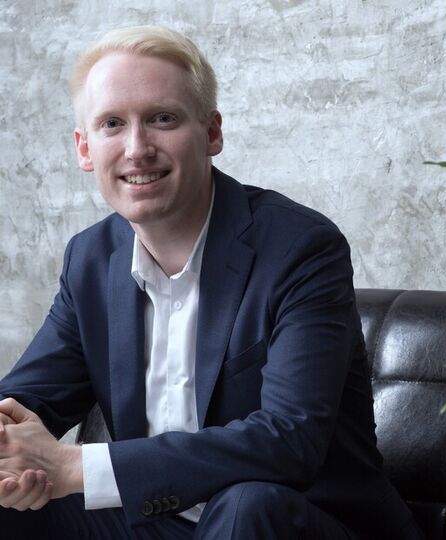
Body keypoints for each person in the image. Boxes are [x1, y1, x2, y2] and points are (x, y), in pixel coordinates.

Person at [0, 26, 423, 539]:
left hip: (292, 521)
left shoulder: (301, 248)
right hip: (161, 519)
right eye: (112, 124)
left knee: (246, 506)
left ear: (212, 133)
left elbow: (289, 441)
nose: (137, 148)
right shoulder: (90, 258)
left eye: (162, 118)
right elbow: (25, 400)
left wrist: (77, 467)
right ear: (85, 149)